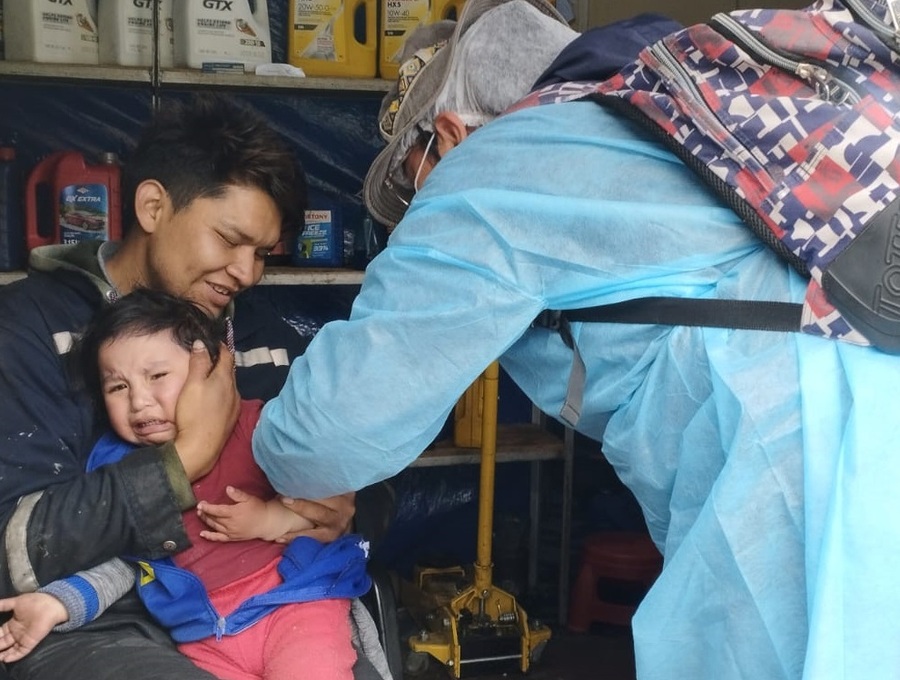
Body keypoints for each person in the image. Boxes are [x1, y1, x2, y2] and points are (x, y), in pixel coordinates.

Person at [247, 1, 900, 679]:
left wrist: (253, 435)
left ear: (447, 134)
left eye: (413, 185)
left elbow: (327, 435)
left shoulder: (497, 163)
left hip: (798, 479)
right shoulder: (673, 122)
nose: (419, 214)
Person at [0, 95, 364, 680]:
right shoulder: (29, 333)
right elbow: (14, 546)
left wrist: (343, 506)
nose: (248, 274)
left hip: (270, 604)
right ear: (152, 206)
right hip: (93, 625)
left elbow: (356, 482)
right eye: (228, 239)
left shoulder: (262, 339)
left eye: (261, 254)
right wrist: (184, 461)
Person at [0, 289, 370, 680]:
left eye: (157, 376)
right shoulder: (115, 468)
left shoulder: (258, 428)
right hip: (205, 639)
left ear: (207, 371)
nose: (140, 401)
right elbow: (123, 565)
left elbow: (332, 496)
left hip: (293, 607)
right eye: (117, 387)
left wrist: (272, 519)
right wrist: (57, 603)